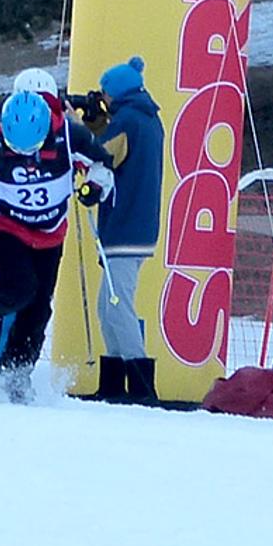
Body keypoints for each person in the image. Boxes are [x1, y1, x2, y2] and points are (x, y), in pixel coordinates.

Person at [0, 89, 113, 402]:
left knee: (38, 308)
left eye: (31, 148)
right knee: (19, 287)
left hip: (50, 232)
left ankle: (16, 370)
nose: (23, 155)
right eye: (14, 147)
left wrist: (94, 188)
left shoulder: (70, 138)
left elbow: (103, 165)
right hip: (5, 225)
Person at [87, 56, 164, 402]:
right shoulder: (148, 119)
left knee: (118, 307)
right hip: (139, 226)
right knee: (108, 306)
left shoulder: (127, 121)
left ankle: (140, 385)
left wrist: (86, 126)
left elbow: (101, 156)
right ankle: (115, 382)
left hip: (124, 227)